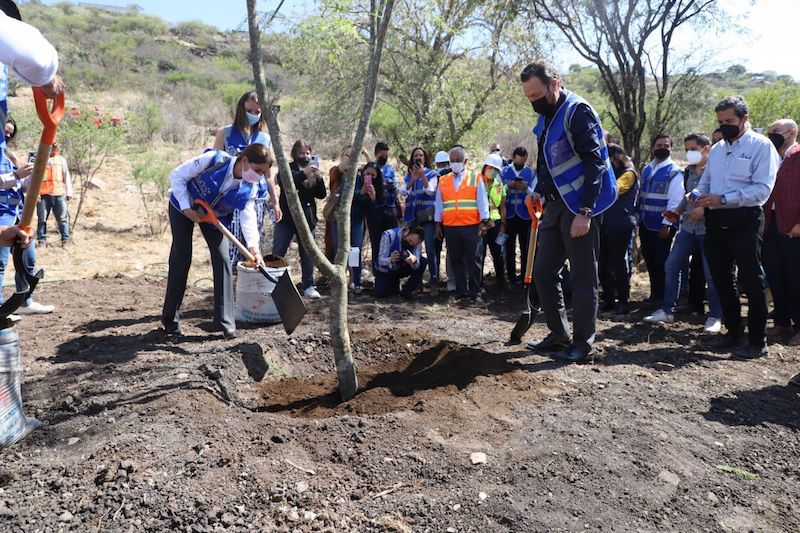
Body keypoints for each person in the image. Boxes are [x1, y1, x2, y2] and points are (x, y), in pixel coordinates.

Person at [520, 60, 618, 362]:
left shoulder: (578, 111)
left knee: (583, 278)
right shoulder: (547, 117)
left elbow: (595, 163)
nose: (534, 102)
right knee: (543, 272)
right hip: (554, 204)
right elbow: (548, 162)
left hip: (581, 207)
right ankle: (559, 334)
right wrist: (537, 190)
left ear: (554, 83)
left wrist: (585, 212)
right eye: (529, 98)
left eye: (538, 95)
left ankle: (583, 344)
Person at [690, 95, 779, 358]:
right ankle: (733, 333)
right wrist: (695, 196)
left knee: (751, 281)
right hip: (716, 221)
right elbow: (706, 183)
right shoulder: (716, 150)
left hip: (745, 219)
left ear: (745, 119)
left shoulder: (761, 147)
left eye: (730, 120)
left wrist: (725, 199)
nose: (724, 125)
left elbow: (762, 190)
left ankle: (757, 341)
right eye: (720, 121)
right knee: (721, 279)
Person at [163, 143, 272, 338]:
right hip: (182, 205)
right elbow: (177, 175)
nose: (259, 176)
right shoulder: (214, 160)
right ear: (244, 160)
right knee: (182, 257)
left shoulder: (251, 187)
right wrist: (187, 207)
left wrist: (254, 249)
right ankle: (170, 320)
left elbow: (248, 219)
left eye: (264, 172)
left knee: (223, 259)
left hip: (215, 217)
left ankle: (225, 322)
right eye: (258, 170)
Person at [644, 133, 722, 333]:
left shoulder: (716, 172)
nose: (689, 153)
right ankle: (668, 310)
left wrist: (703, 209)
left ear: (706, 149)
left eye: (693, 149)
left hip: (708, 230)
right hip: (687, 228)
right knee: (671, 265)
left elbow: (722, 199)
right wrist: (676, 212)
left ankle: (715, 316)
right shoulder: (688, 172)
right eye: (687, 149)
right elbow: (687, 196)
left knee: (710, 274)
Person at [213, 91, 280, 269]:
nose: (253, 115)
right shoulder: (225, 133)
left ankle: (249, 286)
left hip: (256, 198)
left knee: (253, 243)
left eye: (257, 112)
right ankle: (229, 286)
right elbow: (215, 163)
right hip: (232, 196)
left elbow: (268, 174)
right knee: (232, 247)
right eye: (249, 110)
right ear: (241, 109)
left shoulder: (264, 138)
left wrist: (275, 200)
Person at [435, 146, 490, 303]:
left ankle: (475, 292)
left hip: (472, 226)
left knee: (474, 259)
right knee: (456, 259)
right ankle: (461, 291)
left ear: (465, 161)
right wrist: (438, 224)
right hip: (451, 226)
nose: (455, 163)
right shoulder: (443, 180)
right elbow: (439, 203)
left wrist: (484, 222)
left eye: (458, 161)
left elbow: (482, 201)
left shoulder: (475, 177)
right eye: (452, 161)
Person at [272, 139, 326, 300]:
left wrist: (318, 177)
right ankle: (272, 282)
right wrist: (304, 173)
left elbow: (321, 194)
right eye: (302, 153)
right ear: (295, 154)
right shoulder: (287, 169)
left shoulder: (313, 171)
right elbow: (285, 181)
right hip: (286, 219)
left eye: (308, 153)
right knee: (279, 251)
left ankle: (308, 285)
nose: (305, 156)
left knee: (308, 253)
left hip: (307, 219)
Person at [762, 119, 800, 346]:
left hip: (793, 225)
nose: (771, 135)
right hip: (770, 223)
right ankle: (782, 321)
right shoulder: (769, 156)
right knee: (776, 274)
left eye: (775, 132)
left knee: (797, 277)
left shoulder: (798, 154)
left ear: (792, 132)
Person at [638, 134, 684, 308]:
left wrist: (668, 223)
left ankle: (664, 299)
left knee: (661, 261)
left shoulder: (674, 171)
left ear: (671, 148)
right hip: (646, 222)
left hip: (662, 226)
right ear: (652, 147)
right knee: (650, 260)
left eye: (666, 145)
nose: (662, 148)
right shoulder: (648, 169)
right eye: (658, 145)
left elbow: (675, 200)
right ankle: (654, 295)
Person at [599, 144, 639, 316]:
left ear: (615, 158)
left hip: (620, 225)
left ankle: (622, 301)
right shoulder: (606, 173)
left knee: (618, 264)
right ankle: (608, 299)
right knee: (602, 265)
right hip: (604, 224)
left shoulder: (628, 174)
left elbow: (614, 190)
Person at [330, 157, 375, 293]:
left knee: (355, 251)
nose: (369, 177)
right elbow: (344, 197)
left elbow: (366, 204)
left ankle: (355, 282)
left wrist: (370, 195)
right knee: (340, 250)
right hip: (340, 220)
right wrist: (360, 192)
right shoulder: (343, 178)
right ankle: (339, 280)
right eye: (367, 174)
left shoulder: (364, 181)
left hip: (357, 220)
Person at [399, 147, 441, 294]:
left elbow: (430, 190)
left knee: (431, 249)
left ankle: (434, 281)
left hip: (427, 216)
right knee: (413, 249)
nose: (419, 157)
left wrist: (422, 175)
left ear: (425, 158)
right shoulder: (409, 175)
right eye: (416, 155)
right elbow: (404, 192)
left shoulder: (432, 174)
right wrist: (414, 178)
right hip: (412, 216)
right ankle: (416, 283)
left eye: (421, 155)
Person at [501, 146, 537, 285]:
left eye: (523, 160)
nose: (521, 162)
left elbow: (536, 195)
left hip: (526, 216)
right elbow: (497, 192)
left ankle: (524, 277)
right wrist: (508, 186)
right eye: (518, 159)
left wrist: (526, 189)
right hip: (508, 215)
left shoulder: (531, 173)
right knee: (509, 248)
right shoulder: (504, 172)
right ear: (514, 157)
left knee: (525, 248)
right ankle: (510, 277)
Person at [477, 153, 507, 288]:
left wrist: (503, 225)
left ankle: (501, 282)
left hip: (496, 224)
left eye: (496, 169)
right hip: (481, 224)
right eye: (490, 167)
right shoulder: (477, 182)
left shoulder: (499, 185)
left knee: (498, 253)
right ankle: (479, 283)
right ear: (485, 167)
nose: (492, 171)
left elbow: (503, 206)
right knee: (480, 254)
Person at [373, 224, 427, 298]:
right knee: (381, 293)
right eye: (409, 240)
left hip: (403, 267)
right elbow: (380, 260)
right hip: (387, 269)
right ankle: (393, 284)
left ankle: (408, 290)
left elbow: (417, 265)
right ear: (407, 231)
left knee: (423, 261)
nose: (410, 244)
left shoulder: (417, 243)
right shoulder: (388, 235)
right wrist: (390, 259)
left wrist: (413, 261)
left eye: (413, 244)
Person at [367, 141, 400, 260]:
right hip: (376, 209)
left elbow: (396, 188)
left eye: (386, 155)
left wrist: (392, 186)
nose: (384, 157)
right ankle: (377, 271)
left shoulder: (390, 170)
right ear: (376, 154)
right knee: (377, 242)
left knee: (392, 239)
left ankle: (392, 270)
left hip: (390, 209)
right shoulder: (370, 168)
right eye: (382, 155)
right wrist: (381, 185)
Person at [36, 143, 72, 246]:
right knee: (42, 219)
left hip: (59, 194)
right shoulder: (40, 159)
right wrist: (35, 194)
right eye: (50, 146)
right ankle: (41, 241)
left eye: (54, 147)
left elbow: (66, 176)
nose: (52, 149)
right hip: (43, 195)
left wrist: (69, 192)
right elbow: (35, 177)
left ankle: (65, 240)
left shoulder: (61, 160)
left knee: (62, 219)